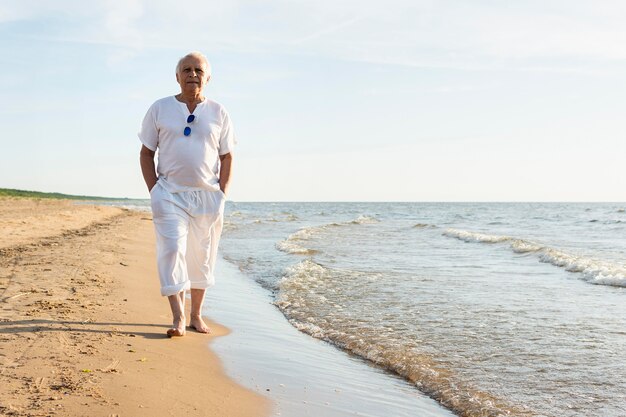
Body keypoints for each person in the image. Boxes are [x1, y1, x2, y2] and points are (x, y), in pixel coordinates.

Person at [138, 51, 235, 337]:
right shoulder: (159, 108)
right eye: (187, 69)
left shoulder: (219, 112)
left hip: (207, 196)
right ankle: (178, 316)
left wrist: (222, 194)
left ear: (208, 77)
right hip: (168, 193)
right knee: (171, 250)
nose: (193, 74)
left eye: (198, 70)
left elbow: (228, 156)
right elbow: (146, 153)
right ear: (177, 76)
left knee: (202, 255)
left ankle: (196, 315)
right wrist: (154, 189)